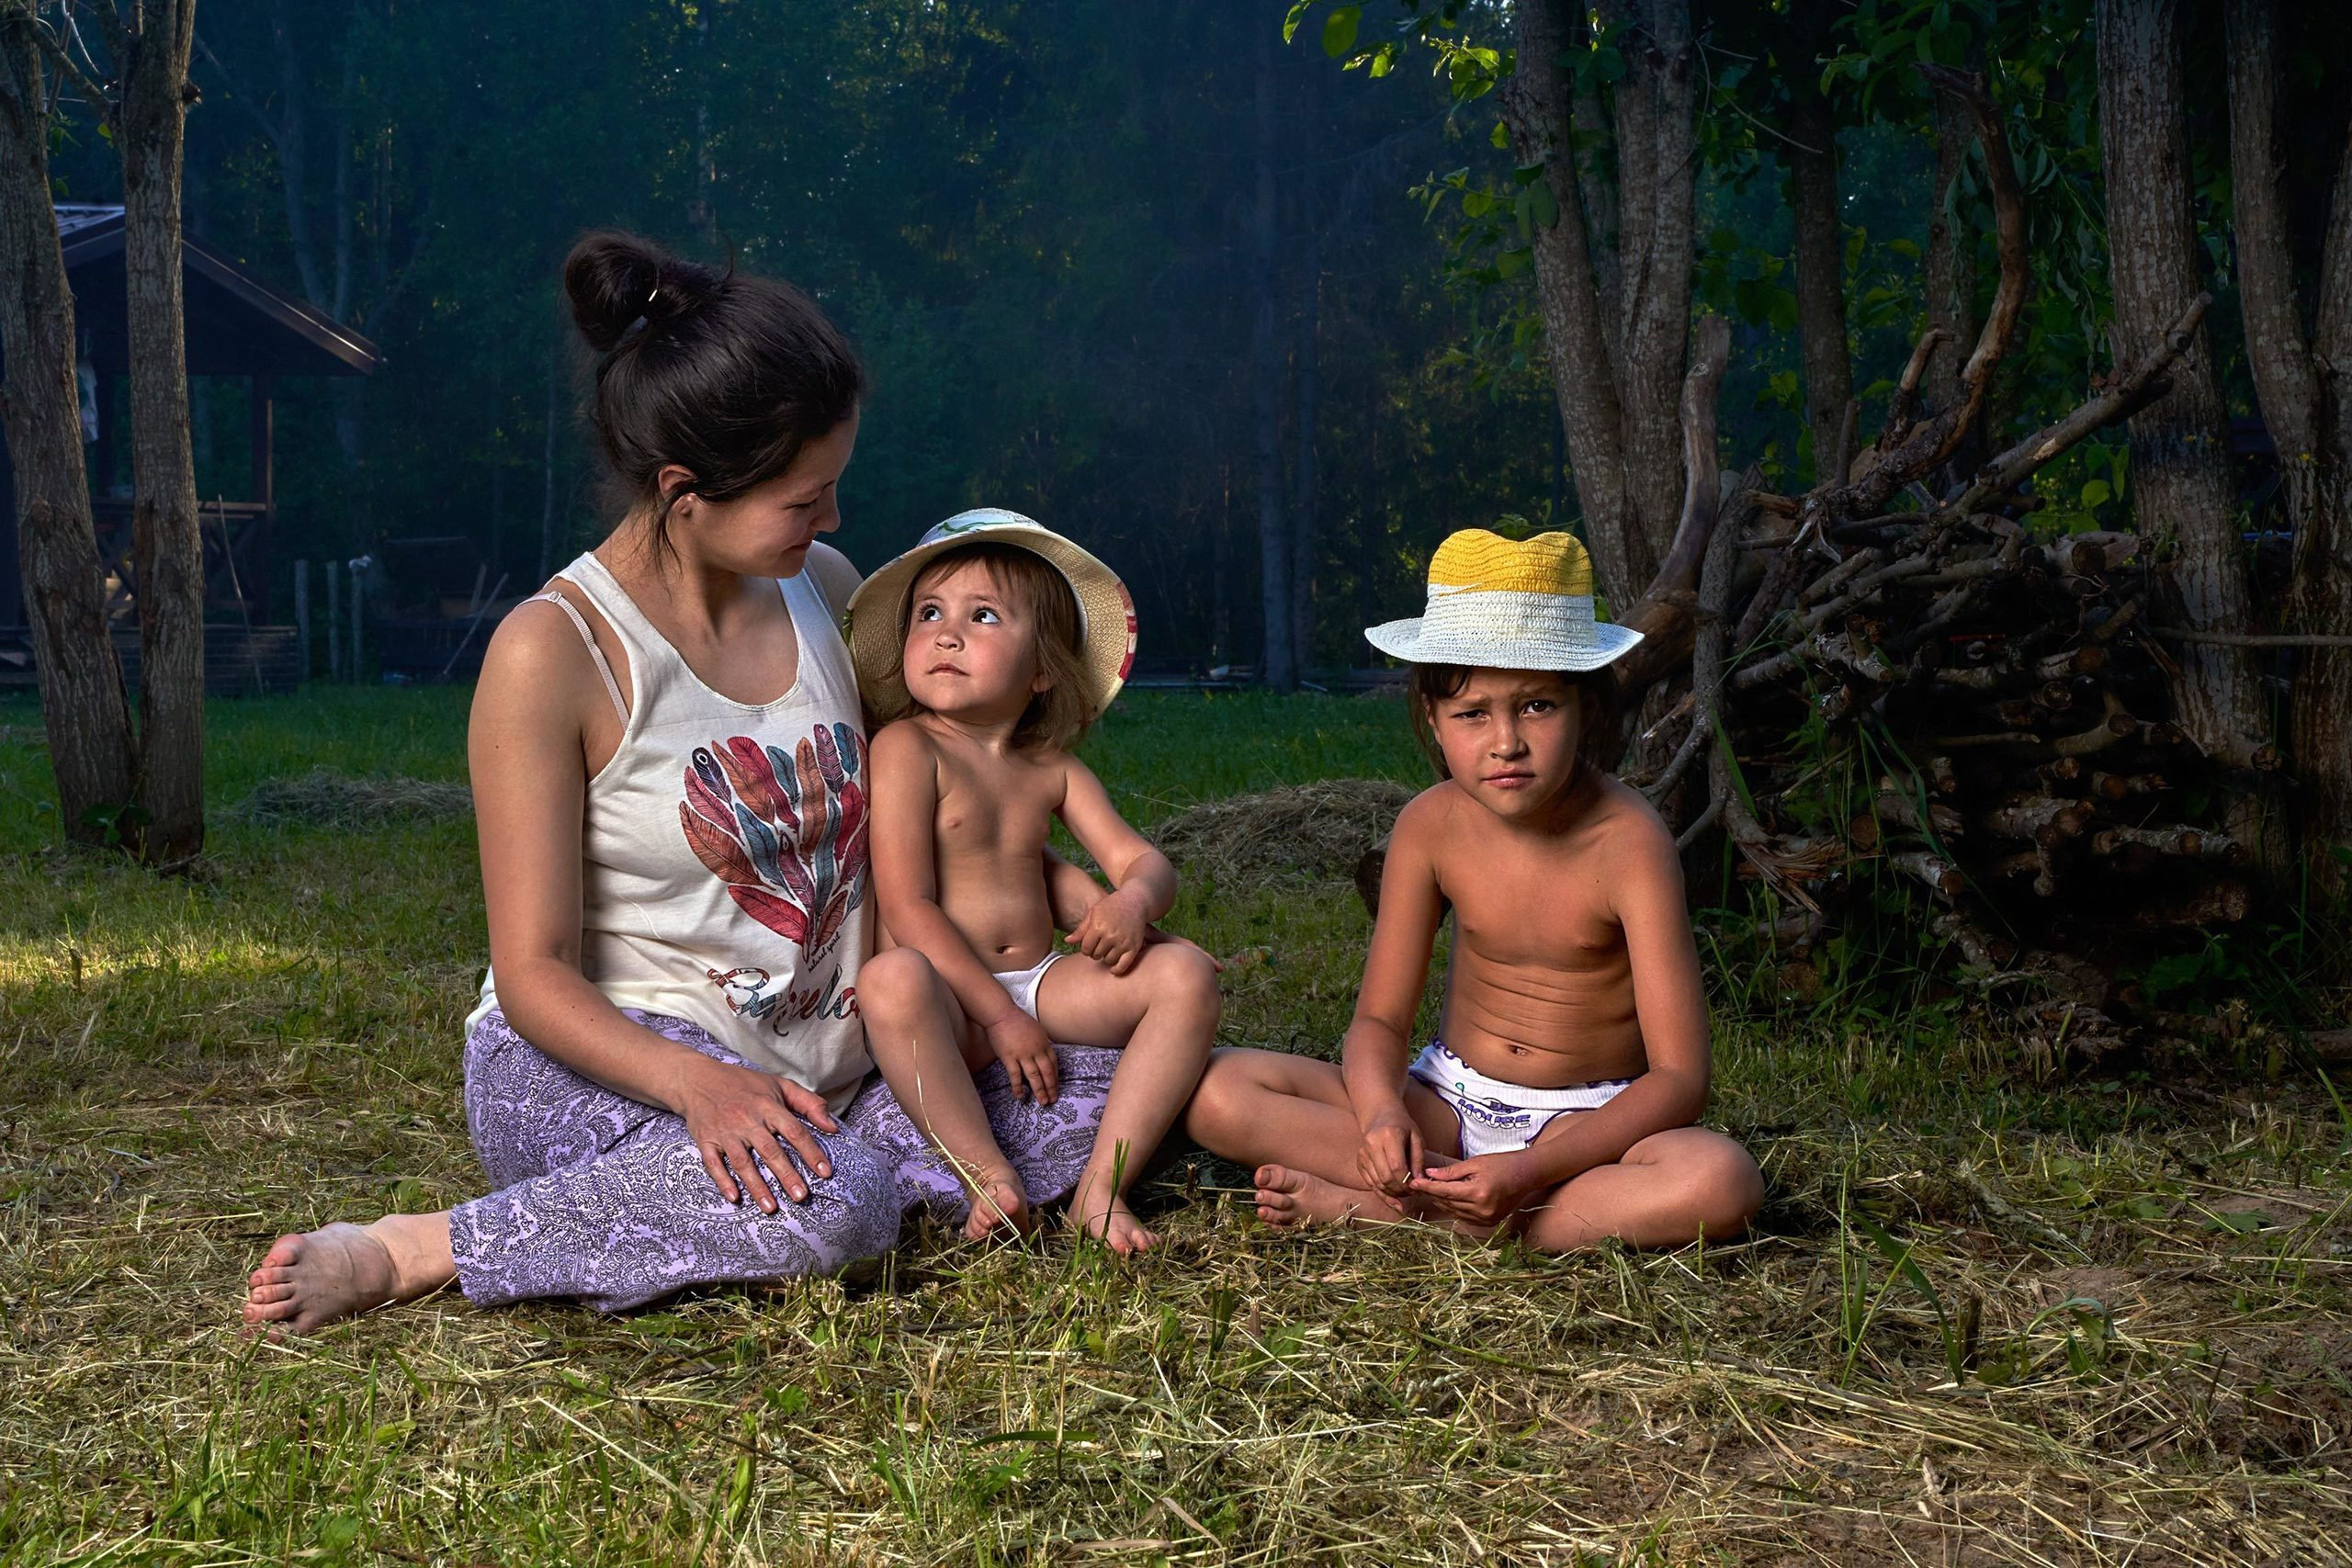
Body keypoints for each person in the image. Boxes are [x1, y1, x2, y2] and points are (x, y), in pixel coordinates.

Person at [242, 233, 1124, 1336]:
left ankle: (842, 1163)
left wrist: (1086, 902)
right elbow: (534, 973)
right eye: (806, 501)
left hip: (842, 1058)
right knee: (836, 1210)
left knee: (1116, 1098)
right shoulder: (553, 651)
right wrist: (698, 1088)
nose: (834, 523)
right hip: (609, 1061)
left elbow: (936, 813)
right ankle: (423, 1245)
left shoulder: (828, 592)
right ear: (684, 492)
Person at [1182, 528, 1764, 1250]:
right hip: (1444, 1105)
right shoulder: (1429, 826)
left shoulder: (1630, 842)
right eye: (1471, 713)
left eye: (1537, 707)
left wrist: (1529, 1167)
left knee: (1722, 1180)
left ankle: (1417, 1213)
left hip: (1582, 1128)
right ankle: (1467, 1206)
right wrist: (1379, 1118)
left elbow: (1680, 1077)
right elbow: (1379, 1024)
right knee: (1216, 1091)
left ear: (1584, 705)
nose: (1505, 742)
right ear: (1432, 717)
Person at [845, 513, 1222, 1256]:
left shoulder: (1050, 766)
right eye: (930, 614)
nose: (946, 634)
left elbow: (1146, 863)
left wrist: (1132, 903)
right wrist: (997, 1015)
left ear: (1042, 668)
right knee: (889, 981)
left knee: (1185, 975)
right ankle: (988, 1174)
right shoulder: (908, 746)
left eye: (982, 615)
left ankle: (1100, 1188)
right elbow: (908, 905)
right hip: (951, 1000)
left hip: (1043, 983)